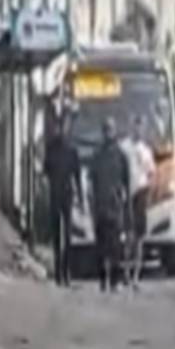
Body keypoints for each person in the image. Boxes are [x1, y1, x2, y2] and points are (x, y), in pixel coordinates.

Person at [91, 117, 130, 292]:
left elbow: (126, 182)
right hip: (100, 207)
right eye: (106, 129)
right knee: (100, 247)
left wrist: (124, 201)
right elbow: (92, 181)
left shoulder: (121, 155)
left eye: (111, 129)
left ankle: (114, 281)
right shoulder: (97, 155)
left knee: (115, 247)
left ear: (114, 132)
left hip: (115, 208)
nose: (108, 132)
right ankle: (102, 280)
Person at [43, 113, 82, 287]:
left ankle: (67, 272)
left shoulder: (72, 151)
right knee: (57, 236)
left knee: (68, 236)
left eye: (63, 127)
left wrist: (79, 198)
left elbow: (77, 176)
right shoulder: (50, 149)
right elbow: (46, 171)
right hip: (55, 196)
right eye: (59, 127)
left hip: (67, 195)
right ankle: (59, 272)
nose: (61, 130)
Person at [120, 114, 156, 283]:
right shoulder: (124, 147)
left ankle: (135, 275)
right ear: (131, 127)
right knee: (128, 236)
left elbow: (151, 173)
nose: (138, 130)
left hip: (140, 194)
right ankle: (126, 272)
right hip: (128, 194)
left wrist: (149, 192)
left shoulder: (146, 150)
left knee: (139, 238)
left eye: (141, 127)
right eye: (136, 126)